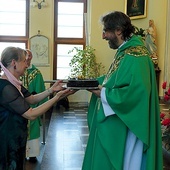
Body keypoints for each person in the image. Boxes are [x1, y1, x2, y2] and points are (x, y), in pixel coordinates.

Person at [82, 11, 163, 170]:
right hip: (122, 121)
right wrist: (88, 82)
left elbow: (136, 93)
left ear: (118, 30)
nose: (103, 36)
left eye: (106, 31)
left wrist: (102, 93)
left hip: (130, 126)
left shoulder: (136, 56)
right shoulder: (126, 51)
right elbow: (116, 77)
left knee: (128, 163)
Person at [0, 46, 73, 170]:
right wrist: (57, 98)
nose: (27, 65)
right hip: (7, 140)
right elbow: (31, 114)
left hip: (16, 137)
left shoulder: (14, 83)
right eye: (24, 61)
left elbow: (32, 99)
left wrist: (51, 90)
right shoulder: (7, 88)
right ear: (14, 63)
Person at [21, 49, 47, 162]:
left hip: (32, 104)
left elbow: (40, 88)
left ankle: (32, 153)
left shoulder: (36, 72)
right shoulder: (16, 70)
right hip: (18, 104)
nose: (28, 57)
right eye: (26, 55)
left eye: (30, 55)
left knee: (33, 127)